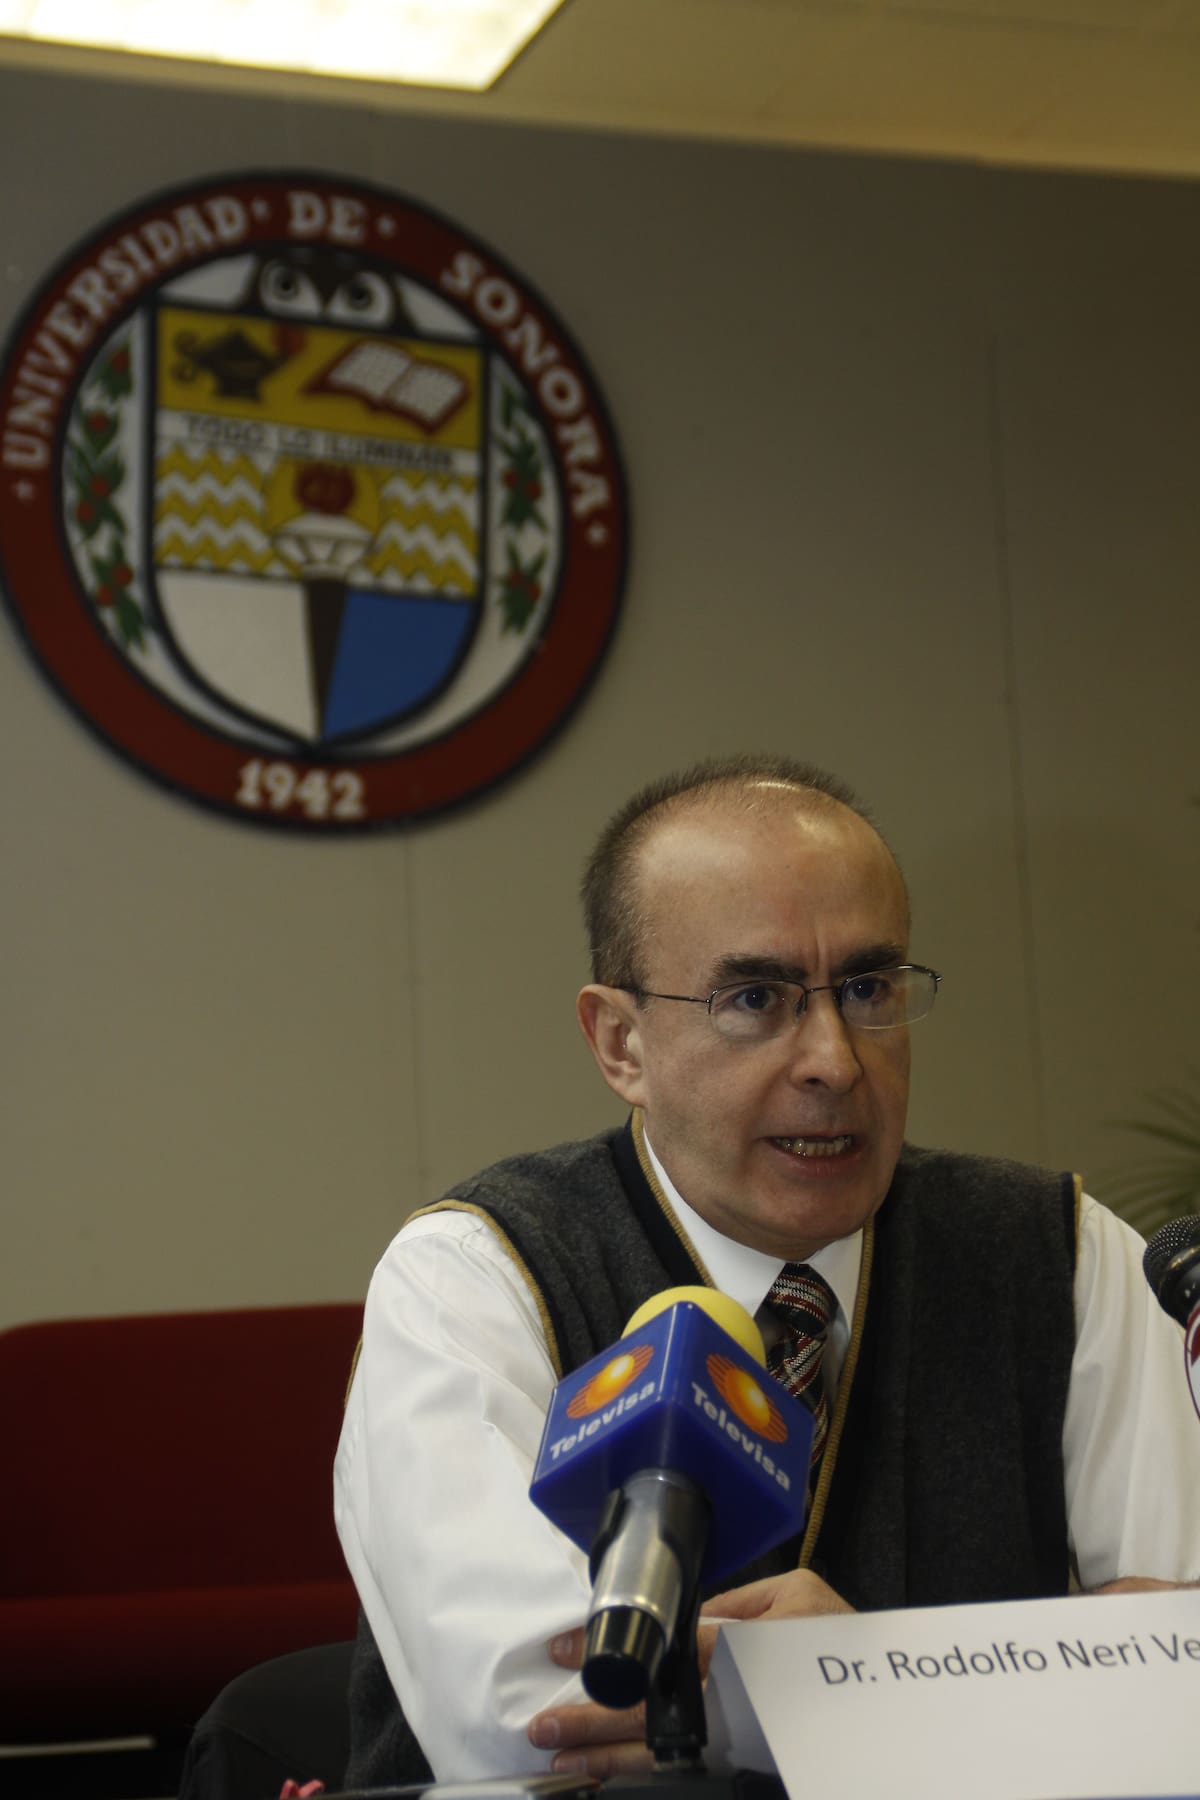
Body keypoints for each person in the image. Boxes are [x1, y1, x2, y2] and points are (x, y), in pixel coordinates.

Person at [333, 754, 1200, 1786]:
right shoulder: (473, 1277)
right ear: (621, 1043)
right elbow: (537, 1717)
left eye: (868, 988)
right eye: (755, 997)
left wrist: (869, 1677)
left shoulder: (1061, 1252)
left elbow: (1182, 1677)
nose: (835, 1058)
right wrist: (949, 1689)